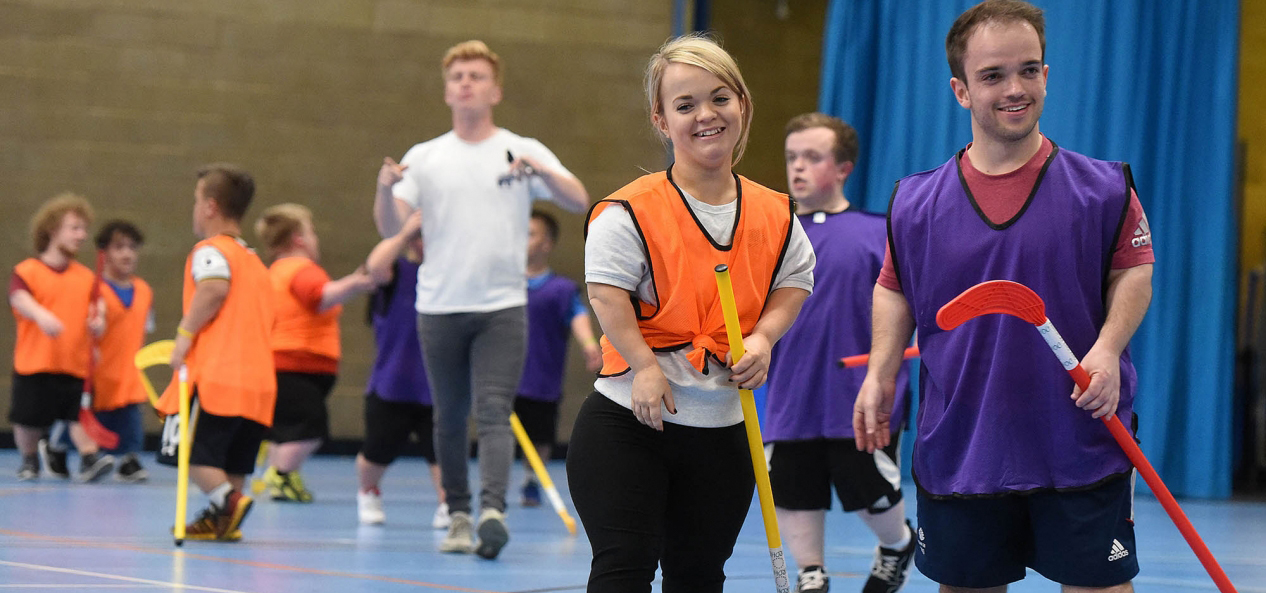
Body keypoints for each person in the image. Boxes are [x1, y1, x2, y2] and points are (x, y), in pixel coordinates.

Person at [854, 2, 1155, 591]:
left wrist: (1107, 347)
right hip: (963, 444)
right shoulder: (914, 203)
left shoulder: (1103, 188)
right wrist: (880, 376)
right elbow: (894, 289)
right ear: (961, 90)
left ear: (1047, 75)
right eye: (993, 75)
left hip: (1080, 440)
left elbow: (1133, 269)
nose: (1014, 89)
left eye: (1029, 70)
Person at [567, 34, 815, 593]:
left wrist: (765, 338)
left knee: (698, 577)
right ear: (661, 119)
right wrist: (644, 366)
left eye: (719, 97)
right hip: (628, 428)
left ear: (743, 105)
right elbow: (607, 294)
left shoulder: (775, 213)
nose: (706, 115)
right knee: (624, 570)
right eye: (685, 105)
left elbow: (795, 281)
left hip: (723, 433)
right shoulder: (628, 211)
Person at [373, 39, 590, 559]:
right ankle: (459, 515)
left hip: (501, 306)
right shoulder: (424, 158)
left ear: (494, 89)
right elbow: (391, 229)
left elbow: (580, 200)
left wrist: (541, 171)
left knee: (493, 411)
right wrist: (385, 190)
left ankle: (493, 510)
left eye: (475, 75)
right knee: (447, 416)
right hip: (439, 306)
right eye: (457, 77)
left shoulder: (521, 149)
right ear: (447, 91)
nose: (465, 83)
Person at [767, 113, 914, 593]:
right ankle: (811, 572)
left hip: (858, 393)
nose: (799, 168)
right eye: (792, 157)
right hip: (791, 391)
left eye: (813, 157)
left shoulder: (879, 232)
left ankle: (897, 544)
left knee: (867, 488)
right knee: (791, 484)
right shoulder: (769, 236)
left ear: (844, 166)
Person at [157, 163, 276, 542]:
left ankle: (227, 501)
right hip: (259, 382)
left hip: (221, 376)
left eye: (196, 201)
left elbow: (213, 288)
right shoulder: (256, 262)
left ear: (210, 207)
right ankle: (224, 518)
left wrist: (183, 335)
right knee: (233, 461)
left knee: (192, 455)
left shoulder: (211, 251)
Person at [253, 203, 376, 503]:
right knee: (311, 429)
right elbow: (319, 296)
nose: (315, 238)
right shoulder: (301, 270)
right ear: (298, 239)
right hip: (297, 363)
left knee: (287, 431)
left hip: (284, 363)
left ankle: (283, 477)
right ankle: (280, 474)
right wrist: (358, 283)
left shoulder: (276, 271)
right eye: (311, 232)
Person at [9, 193, 115, 483]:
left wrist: (99, 322)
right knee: (28, 419)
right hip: (36, 361)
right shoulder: (27, 271)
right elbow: (18, 298)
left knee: (78, 415)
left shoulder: (86, 277)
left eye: (84, 229)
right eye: (75, 228)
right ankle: (29, 459)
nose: (82, 235)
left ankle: (89, 458)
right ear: (53, 229)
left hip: (75, 362)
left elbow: (100, 309)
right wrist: (40, 315)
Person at [357, 211, 447, 528]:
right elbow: (375, 267)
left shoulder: (446, 275)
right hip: (392, 383)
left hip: (436, 384)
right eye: (419, 235)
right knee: (376, 453)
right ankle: (368, 491)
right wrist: (404, 231)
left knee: (441, 451)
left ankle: (448, 504)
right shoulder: (396, 272)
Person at [515, 209, 602, 507]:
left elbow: (577, 314)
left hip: (541, 378)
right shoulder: (502, 284)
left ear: (547, 243)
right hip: (503, 375)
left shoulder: (561, 289)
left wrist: (589, 344)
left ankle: (531, 479)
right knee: (498, 432)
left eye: (530, 234)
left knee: (539, 435)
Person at [90, 221, 155, 482]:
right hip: (98, 377)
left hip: (129, 378)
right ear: (104, 253)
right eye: (119, 247)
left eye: (132, 247)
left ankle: (129, 460)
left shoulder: (144, 291)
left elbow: (144, 328)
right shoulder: (94, 289)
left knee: (130, 430)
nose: (127, 254)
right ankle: (56, 449)